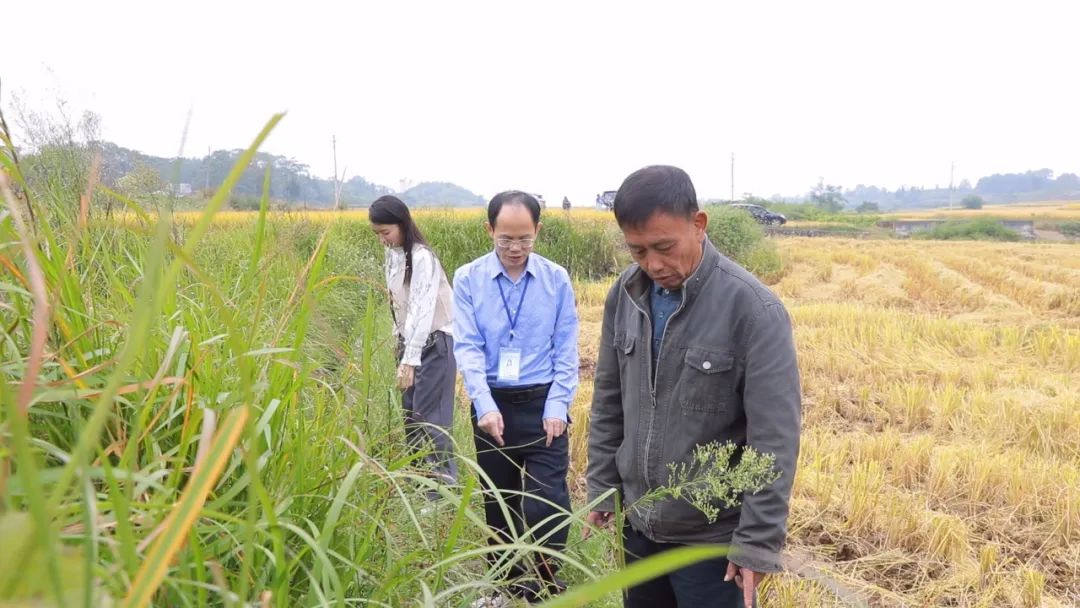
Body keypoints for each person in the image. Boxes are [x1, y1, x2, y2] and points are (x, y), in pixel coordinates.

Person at [584, 166, 801, 607]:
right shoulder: (623, 295)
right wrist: (603, 486)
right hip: (639, 524)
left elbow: (773, 439)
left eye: (664, 247)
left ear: (698, 225)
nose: (654, 264)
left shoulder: (753, 310)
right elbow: (609, 400)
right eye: (638, 250)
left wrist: (756, 542)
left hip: (713, 539)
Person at [453, 190, 579, 601]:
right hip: (494, 406)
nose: (515, 249)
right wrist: (484, 405)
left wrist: (558, 405)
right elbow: (468, 347)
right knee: (499, 502)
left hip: (544, 404)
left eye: (524, 239)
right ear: (490, 230)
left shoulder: (555, 279)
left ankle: (544, 581)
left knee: (547, 501)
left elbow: (566, 347)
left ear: (537, 231)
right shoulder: (469, 278)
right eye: (505, 239)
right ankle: (504, 583)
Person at [369, 195, 458, 497]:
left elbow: (421, 309)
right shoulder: (394, 255)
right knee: (410, 416)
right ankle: (418, 485)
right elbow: (398, 306)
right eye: (377, 234)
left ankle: (440, 492)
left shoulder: (423, 258)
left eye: (386, 232)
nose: (383, 240)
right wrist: (400, 346)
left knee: (430, 417)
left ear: (403, 224)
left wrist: (410, 360)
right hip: (410, 344)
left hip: (435, 344)